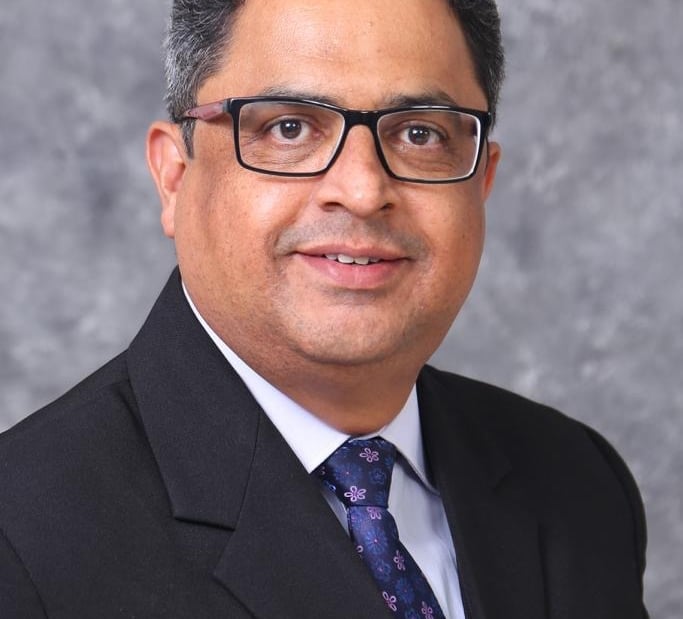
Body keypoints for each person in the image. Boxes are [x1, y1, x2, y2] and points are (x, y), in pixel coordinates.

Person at [0, 0, 648, 617]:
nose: (362, 190)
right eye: (289, 128)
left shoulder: (575, 482)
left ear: (481, 181)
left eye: (419, 133)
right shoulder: (23, 539)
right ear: (174, 176)